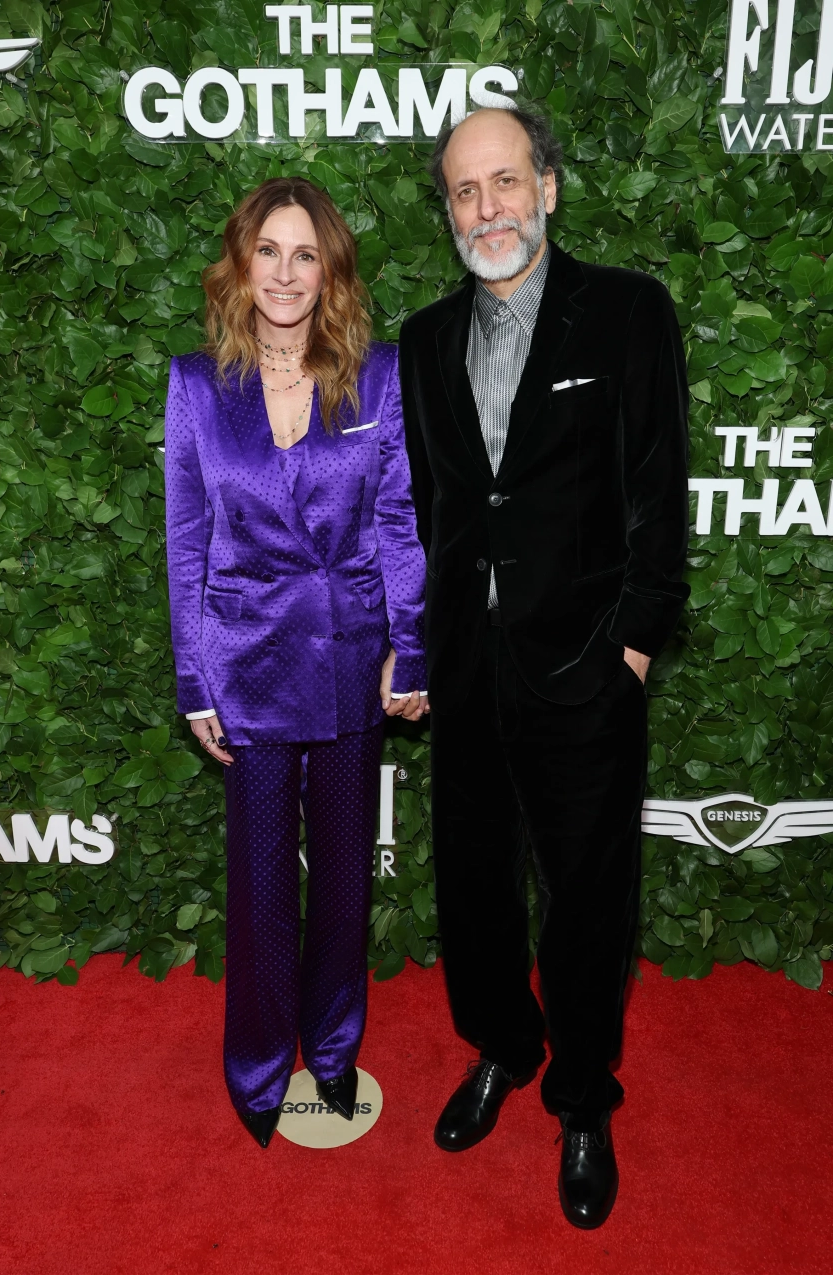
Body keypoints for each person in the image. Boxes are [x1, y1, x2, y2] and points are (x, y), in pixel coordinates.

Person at [399, 107, 689, 1228]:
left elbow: (658, 491)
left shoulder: (626, 311)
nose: (488, 209)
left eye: (506, 181)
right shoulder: (424, 340)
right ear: (449, 210)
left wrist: (632, 645)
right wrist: (419, 646)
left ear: (549, 188)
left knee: (587, 905)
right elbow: (431, 509)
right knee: (474, 891)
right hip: (466, 673)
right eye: (465, 191)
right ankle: (504, 1050)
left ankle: (580, 1097)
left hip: (584, 670)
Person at [165, 176, 428, 1149]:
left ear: (331, 272)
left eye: (304, 254)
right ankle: (258, 1062)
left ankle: (334, 1044)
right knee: (264, 885)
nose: (284, 274)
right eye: (267, 252)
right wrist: (195, 676)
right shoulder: (197, 386)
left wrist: (413, 647)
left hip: (353, 661)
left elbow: (399, 521)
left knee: (346, 878)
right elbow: (186, 540)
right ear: (240, 266)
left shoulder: (377, 375)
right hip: (247, 666)